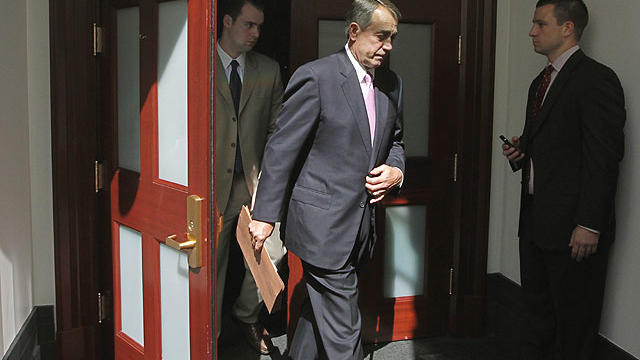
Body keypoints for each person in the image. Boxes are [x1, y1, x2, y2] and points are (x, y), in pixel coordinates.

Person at [248, 0, 405, 358]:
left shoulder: (392, 84)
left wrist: (396, 171)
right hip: (321, 227)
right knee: (344, 333)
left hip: (361, 228)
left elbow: (396, 140)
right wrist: (265, 215)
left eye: (393, 37)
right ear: (354, 32)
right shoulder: (317, 77)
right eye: (381, 36)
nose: (389, 46)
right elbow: (281, 149)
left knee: (314, 316)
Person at [502, 1, 625, 359]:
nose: (531, 32)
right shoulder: (539, 83)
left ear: (567, 28)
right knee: (538, 320)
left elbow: (602, 159)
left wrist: (589, 223)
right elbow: (550, 147)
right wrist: (521, 152)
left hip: (575, 231)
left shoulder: (597, 80)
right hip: (536, 224)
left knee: (575, 327)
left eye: (540, 24)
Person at [214, 0, 285, 354]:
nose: (256, 33)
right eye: (248, 25)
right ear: (227, 21)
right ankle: (207, 335)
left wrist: (271, 186)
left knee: (271, 252)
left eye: (259, 26)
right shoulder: (198, 65)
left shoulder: (268, 70)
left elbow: (277, 132)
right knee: (209, 263)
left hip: (253, 181)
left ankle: (245, 316)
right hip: (209, 188)